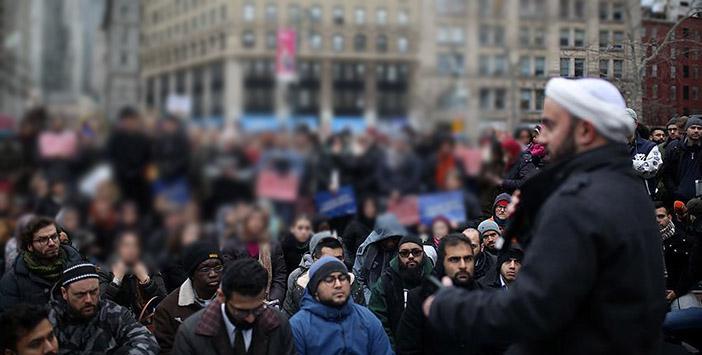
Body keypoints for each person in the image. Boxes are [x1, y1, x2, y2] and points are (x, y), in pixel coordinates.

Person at [424, 77, 667, 354]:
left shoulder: (577, 202)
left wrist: (451, 306)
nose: (541, 137)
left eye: (550, 125)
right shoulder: (628, 189)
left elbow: (532, 309)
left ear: (585, 131)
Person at [172, 258, 295, 355]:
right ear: (221, 296)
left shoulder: (278, 323)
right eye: (241, 311)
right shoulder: (191, 334)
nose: (251, 318)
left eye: (258, 309)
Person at [396, 233, 484, 355]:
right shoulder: (420, 298)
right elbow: (407, 348)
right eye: (455, 259)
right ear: (442, 262)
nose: (463, 266)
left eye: (468, 258)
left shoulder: (483, 297)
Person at [289, 256, 393, 355]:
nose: (338, 284)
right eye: (329, 280)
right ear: (315, 289)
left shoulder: (367, 319)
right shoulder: (299, 326)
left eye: (343, 278)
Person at [49, 263, 160, 354]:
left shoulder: (113, 312)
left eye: (93, 292)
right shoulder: (50, 319)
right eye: (80, 295)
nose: (88, 300)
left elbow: (148, 341)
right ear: (64, 293)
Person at [153, 241, 224, 355]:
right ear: (191, 274)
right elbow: (166, 350)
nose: (213, 274)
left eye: (218, 267)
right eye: (205, 269)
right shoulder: (167, 309)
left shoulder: (234, 298)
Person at [0, 217, 83, 312]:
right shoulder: (13, 280)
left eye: (54, 237)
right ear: (30, 246)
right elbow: (9, 318)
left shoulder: (76, 264)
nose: (51, 243)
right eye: (43, 240)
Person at [368, 235, 433, 346]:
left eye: (416, 252)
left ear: (423, 254)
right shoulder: (385, 283)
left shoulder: (435, 281)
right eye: (404, 253)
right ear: (398, 256)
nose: (411, 257)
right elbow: (378, 322)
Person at [283, 231, 365, 317]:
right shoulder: (299, 283)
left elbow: (363, 318)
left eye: (339, 259)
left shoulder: (352, 282)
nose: (334, 264)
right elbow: (288, 317)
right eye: (328, 259)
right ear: (315, 258)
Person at [221, 207, 287, 305]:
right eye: (252, 219)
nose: (256, 223)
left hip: (269, 300)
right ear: (245, 223)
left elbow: (279, 275)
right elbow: (228, 274)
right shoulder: (231, 245)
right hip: (240, 299)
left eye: (260, 220)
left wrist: (273, 299)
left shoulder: (273, 245)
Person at [99, 230, 167, 316]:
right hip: (117, 322)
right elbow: (100, 305)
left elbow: (164, 301)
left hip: (147, 321)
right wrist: (116, 282)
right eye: (126, 246)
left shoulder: (150, 268)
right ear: (118, 248)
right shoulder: (105, 270)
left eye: (135, 246)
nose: (131, 250)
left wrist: (147, 282)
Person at [353, 213, 407, 301]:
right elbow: (358, 278)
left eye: (394, 239)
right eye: (387, 239)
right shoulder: (366, 250)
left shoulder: (404, 250)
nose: (391, 243)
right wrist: (370, 299)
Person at [654, 202, 694, 304]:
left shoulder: (683, 239)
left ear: (670, 217)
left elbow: (690, 270)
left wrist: (677, 292)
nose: (657, 220)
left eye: (661, 216)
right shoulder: (644, 240)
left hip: (678, 291)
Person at [663, 114, 702, 202]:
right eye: (693, 127)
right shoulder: (675, 148)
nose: (696, 131)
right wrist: (674, 191)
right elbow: (666, 173)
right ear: (686, 130)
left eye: (699, 128)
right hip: (679, 199)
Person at [627, 108, 662, 198]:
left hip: (643, 197)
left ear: (635, 124)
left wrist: (626, 163)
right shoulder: (611, 146)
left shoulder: (649, 146)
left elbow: (652, 168)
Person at [342, 196, 378, 269]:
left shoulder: (380, 224)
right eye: (367, 207)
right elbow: (346, 246)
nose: (370, 210)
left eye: (372, 206)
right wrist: (352, 264)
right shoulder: (353, 226)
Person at [281, 215, 313, 279]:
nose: (304, 232)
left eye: (307, 228)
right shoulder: (284, 247)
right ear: (292, 229)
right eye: (300, 228)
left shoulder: (314, 247)